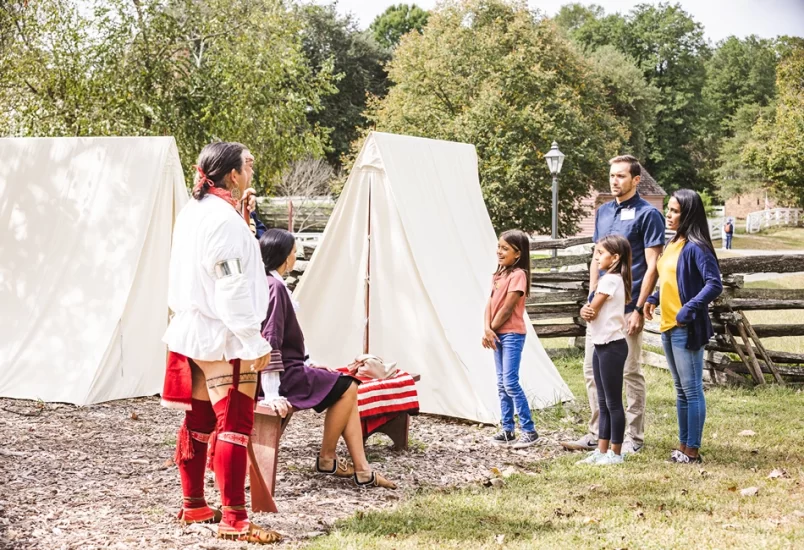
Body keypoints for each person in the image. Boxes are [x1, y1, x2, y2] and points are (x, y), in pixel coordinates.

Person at [161, 142, 282, 544]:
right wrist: (251, 338)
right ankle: (235, 520)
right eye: (248, 164)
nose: (252, 169)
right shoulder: (222, 221)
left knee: (199, 421)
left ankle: (195, 504)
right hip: (223, 335)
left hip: (197, 330)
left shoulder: (195, 212)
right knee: (234, 423)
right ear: (231, 174)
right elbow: (230, 285)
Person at [258, 228, 396, 488]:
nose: (295, 258)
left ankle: (362, 470)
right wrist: (271, 392)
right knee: (349, 386)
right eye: (294, 253)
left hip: (290, 368)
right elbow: (271, 339)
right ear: (283, 257)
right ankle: (327, 457)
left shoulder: (268, 283)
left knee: (346, 388)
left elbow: (287, 338)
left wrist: (308, 362)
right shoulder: (274, 286)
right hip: (283, 376)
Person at [562, 155, 665, 455]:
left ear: (635, 180)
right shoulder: (603, 211)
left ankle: (633, 437)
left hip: (627, 307)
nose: (614, 180)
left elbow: (652, 265)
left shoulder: (649, 215)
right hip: (600, 307)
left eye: (621, 176)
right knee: (591, 370)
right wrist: (592, 299)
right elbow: (596, 258)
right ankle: (597, 433)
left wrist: (638, 308)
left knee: (630, 371)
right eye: (612, 175)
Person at [645, 189, 723, 464]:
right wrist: (654, 298)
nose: (669, 214)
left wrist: (688, 309)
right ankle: (682, 445)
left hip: (685, 327)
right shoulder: (673, 243)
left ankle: (693, 450)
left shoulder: (696, 247)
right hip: (667, 325)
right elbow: (670, 279)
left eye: (675, 210)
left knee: (691, 390)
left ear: (688, 213)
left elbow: (714, 284)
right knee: (680, 389)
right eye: (669, 209)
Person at [576, 236, 632, 466]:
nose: (596, 257)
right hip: (601, 346)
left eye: (601, 253)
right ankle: (602, 449)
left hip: (612, 346)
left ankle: (616, 453)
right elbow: (589, 309)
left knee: (612, 402)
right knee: (603, 401)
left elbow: (592, 309)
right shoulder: (609, 279)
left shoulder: (610, 280)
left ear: (615, 258)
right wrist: (585, 310)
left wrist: (585, 310)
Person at [483, 229, 539, 449]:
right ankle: (508, 430)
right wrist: (486, 328)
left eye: (505, 248)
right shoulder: (498, 275)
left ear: (518, 253)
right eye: (499, 246)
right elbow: (489, 304)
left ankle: (529, 430)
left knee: (510, 382)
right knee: (501, 384)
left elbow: (507, 308)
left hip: (512, 335)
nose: (499, 251)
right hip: (496, 333)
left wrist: (491, 329)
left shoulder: (518, 276)